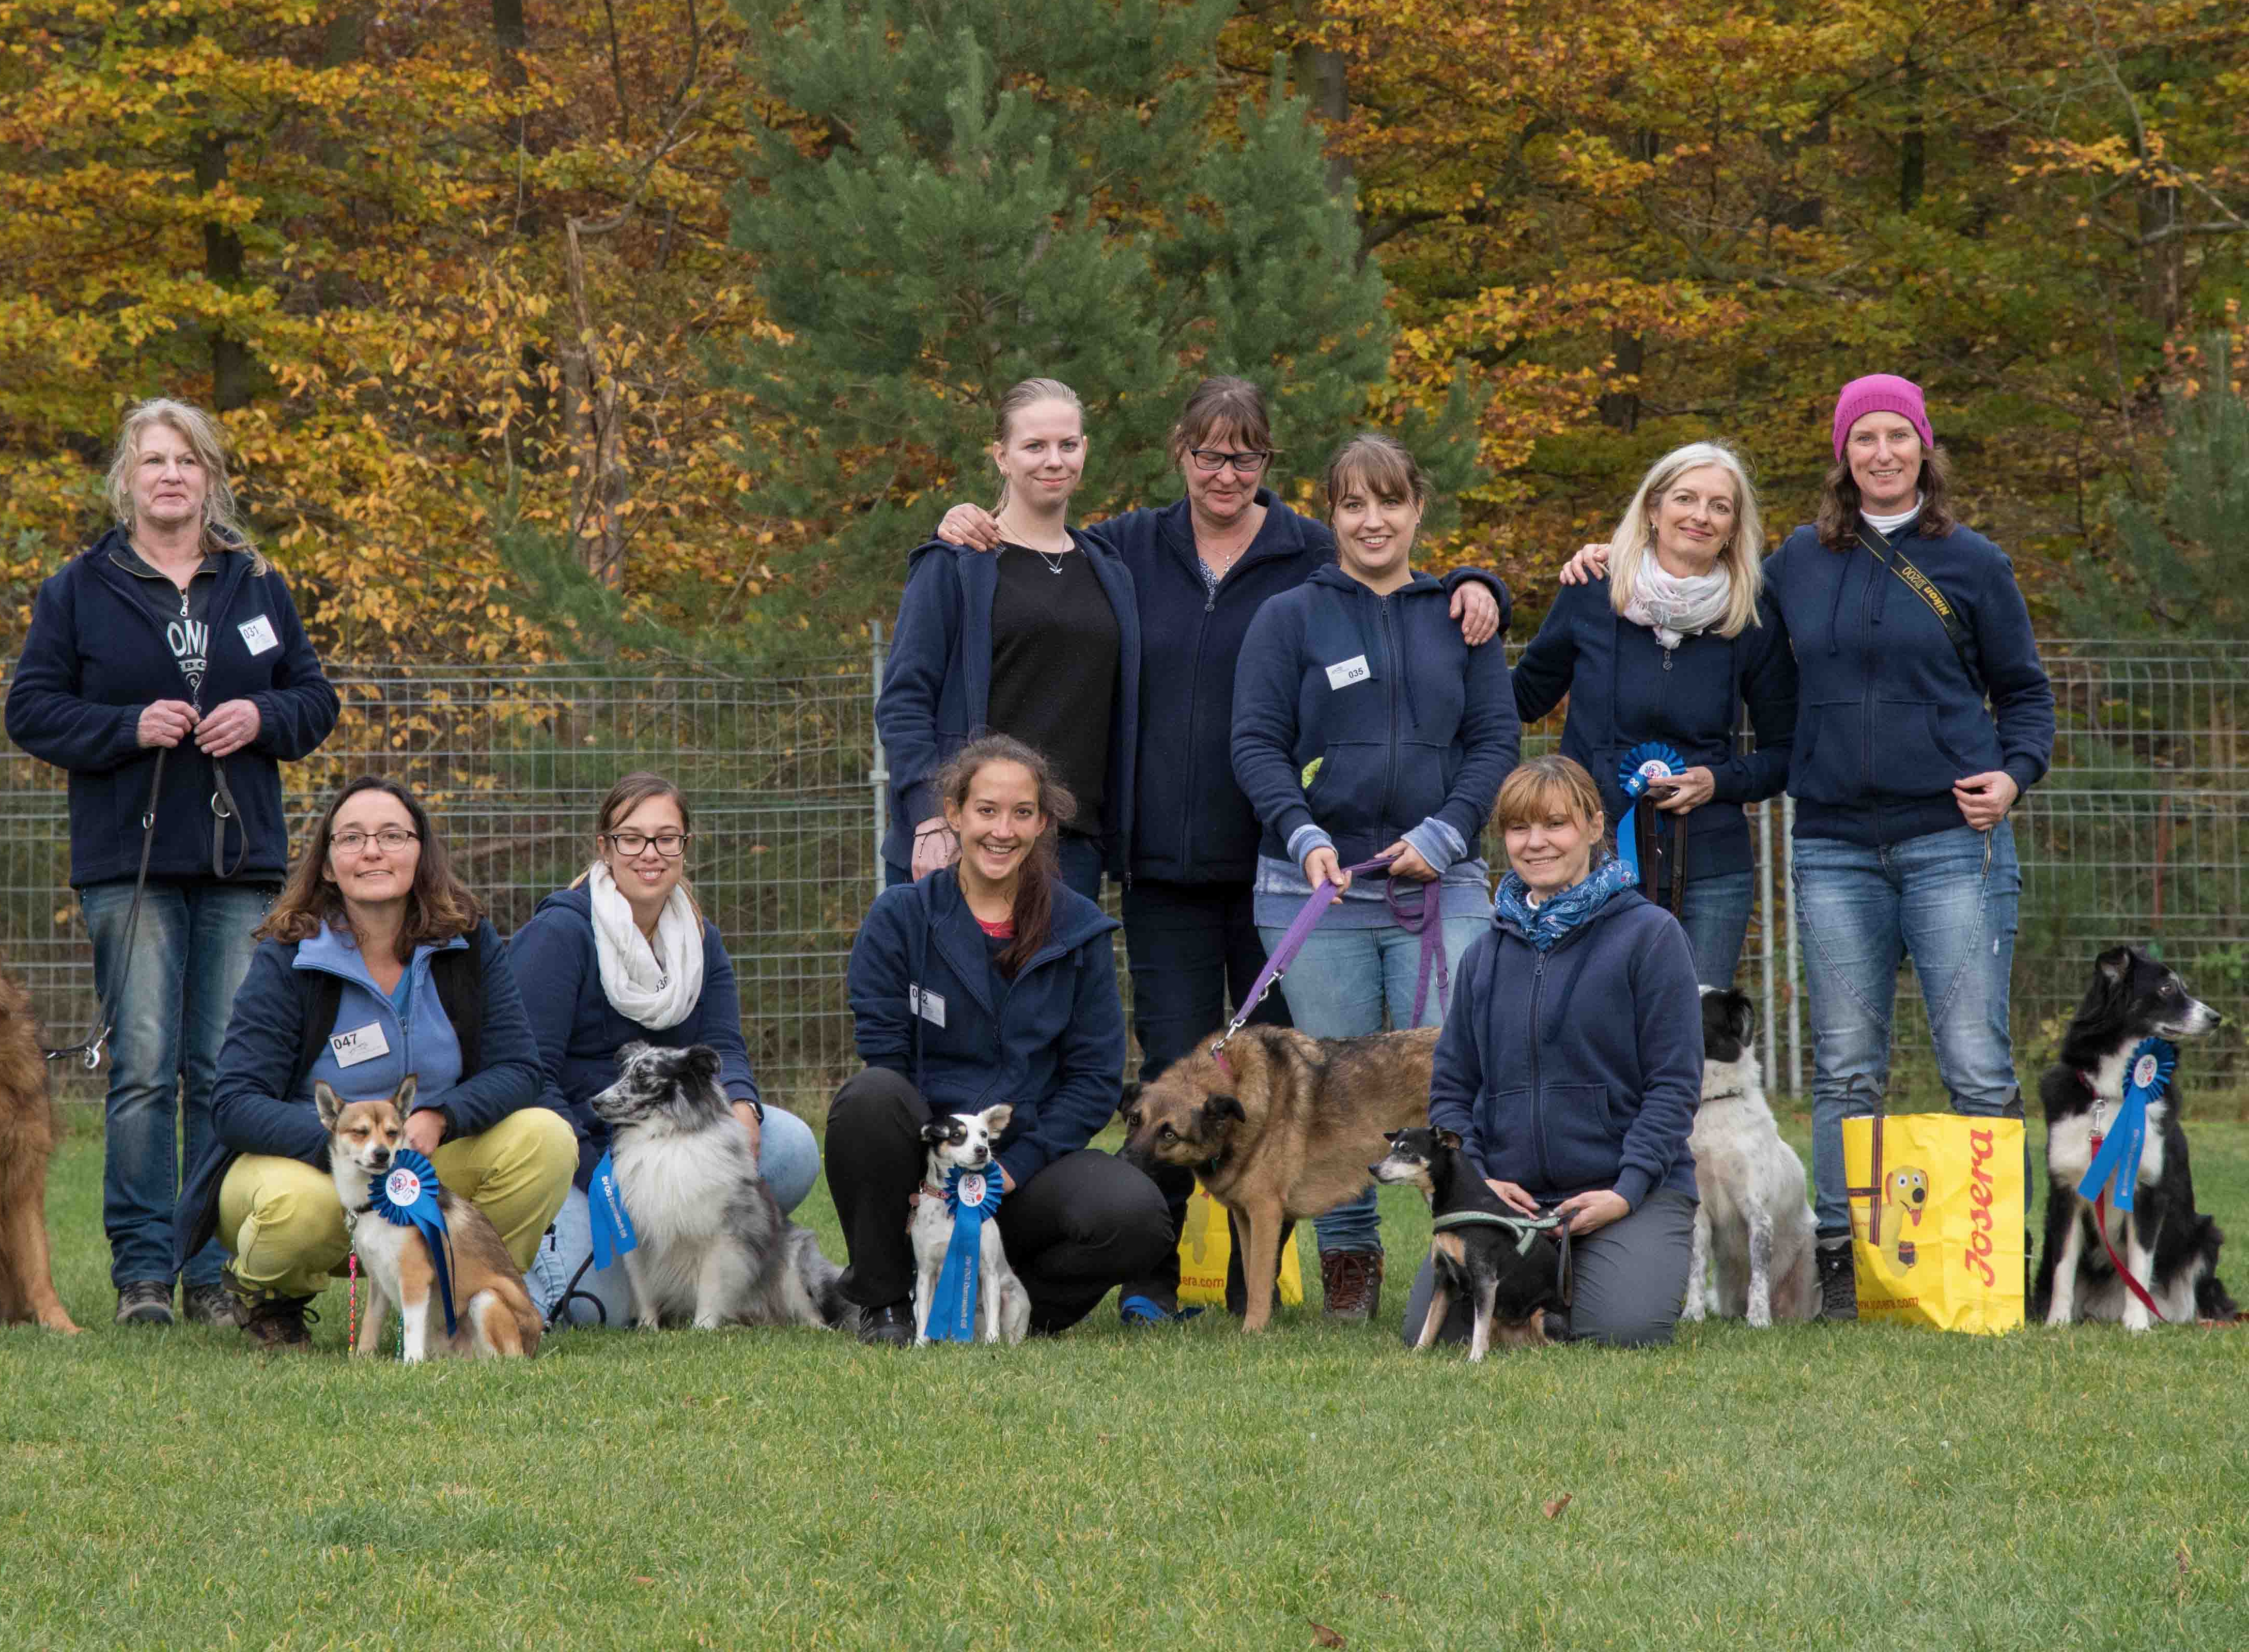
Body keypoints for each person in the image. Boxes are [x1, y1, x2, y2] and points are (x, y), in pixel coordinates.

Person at [933, 377, 1506, 1322]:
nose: (1225, 472)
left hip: (1284, 867)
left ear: (1269, 466)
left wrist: (1487, 585)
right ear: (1179, 454)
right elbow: (1040, 544)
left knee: (1296, 1093)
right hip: (1170, 856)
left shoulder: (1307, 555)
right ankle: (1154, 1283)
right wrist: (966, 522)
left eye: (1244, 456)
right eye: (1208, 453)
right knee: (1173, 1070)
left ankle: (1277, 1284)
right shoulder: (1125, 546)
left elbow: (1405, 579)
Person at [1560, 375, 2053, 1319]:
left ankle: (1995, 1260)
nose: (1879, 453)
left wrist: (2014, 773)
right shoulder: (1795, 561)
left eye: (1895, 437)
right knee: (1845, 1064)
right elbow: (1705, 592)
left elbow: (2023, 692)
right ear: (1841, 453)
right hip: (1830, 844)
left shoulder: (1973, 562)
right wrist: (1606, 556)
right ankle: (1841, 1262)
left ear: (1922, 448)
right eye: (1861, 438)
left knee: (1974, 1060)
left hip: (1951, 837)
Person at [6, 397, 338, 1329]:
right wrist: (126, 727)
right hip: (132, 865)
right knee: (146, 1066)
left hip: (242, 863)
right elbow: (30, 710)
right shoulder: (79, 587)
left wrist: (263, 717)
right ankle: (146, 1272)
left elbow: (315, 700)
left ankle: (213, 1272)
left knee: (224, 1070)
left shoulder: (258, 583)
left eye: (186, 459)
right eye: (153, 460)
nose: (170, 475)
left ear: (210, 476)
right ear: (128, 479)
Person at [1228, 433, 1519, 1320]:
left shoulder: (1460, 615)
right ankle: (1348, 1269)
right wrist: (1301, 829)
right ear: (1331, 513)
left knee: (1459, 1075)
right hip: (1315, 891)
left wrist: (1444, 829)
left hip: (1443, 883)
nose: (1371, 520)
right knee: (1332, 1096)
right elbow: (1254, 742)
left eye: (1388, 501)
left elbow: (1494, 741)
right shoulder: (1289, 616)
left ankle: (1472, 1255)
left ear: (1416, 508)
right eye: (1352, 504)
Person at [174, 776, 576, 1350]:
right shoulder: (290, 954)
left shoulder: (468, 941)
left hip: (423, 1161)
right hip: (308, 1166)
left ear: (421, 852)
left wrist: (443, 1116)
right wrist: (344, 1147)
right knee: (298, 1209)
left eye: (392, 835)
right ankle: (273, 1301)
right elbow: (235, 1101)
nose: (372, 851)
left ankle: (462, 1301)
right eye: (352, 838)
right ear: (329, 865)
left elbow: (519, 1067)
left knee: (546, 1138)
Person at [827, 735, 1174, 1344]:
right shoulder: (899, 920)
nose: (1002, 830)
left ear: (1043, 822)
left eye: (1021, 813)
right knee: (869, 1098)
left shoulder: (1080, 932)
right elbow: (887, 1061)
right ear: (954, 814)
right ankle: (885, 1302)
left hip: (1024, 1164)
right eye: (986, 810)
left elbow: (1093, 1079)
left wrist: (1013, 1168)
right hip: (929, 1165)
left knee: (1137, 1216)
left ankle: (1013, 1304)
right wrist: (932, 1171)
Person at [1404, 755, 1702, 1348]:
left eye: (1555, 824)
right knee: (1431, 1332)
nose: (1535, 843)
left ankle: (1600, 1267)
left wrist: (1627, 1189)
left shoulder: (1652, 937)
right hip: (1510, 1198)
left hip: (1624, 1189)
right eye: (1519, 828)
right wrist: (1481, 1182)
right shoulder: (1484, 956)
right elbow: (1452, 1089)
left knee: (1622, 1331)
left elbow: (1674, 1085)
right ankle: (1549, 1277)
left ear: (1595, 827)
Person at [513, 772, 824, 1326]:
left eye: (666, 838)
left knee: (793, 1146)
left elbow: (725, 1042)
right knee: (598, 1312)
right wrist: (607, 1178)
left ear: (685, 845)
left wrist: (744, 1108)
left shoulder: (700, 936)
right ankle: (544, 1256)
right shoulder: (559, 934)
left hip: (669, 1144)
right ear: (604, 847)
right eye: (631, 838)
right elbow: (530, 1073)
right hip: (582, 1148)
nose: (649, 854)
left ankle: (704, 1263)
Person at [1511, 441, 1795, 988]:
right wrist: (1477, 598)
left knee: (1692, 1039)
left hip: (1711, 868)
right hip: (1588, 861)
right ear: (1653, 509)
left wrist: (1719, 781)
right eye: (1685, 498)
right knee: (1592, 1031)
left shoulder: (1753, 616)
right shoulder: (1592, 589)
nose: (1700, 515)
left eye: (1720, 506)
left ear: (1735, 526)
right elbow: (1521, 698)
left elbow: (1785, 752)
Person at [875, 379, 1140, 901]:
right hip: (965, 843)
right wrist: (931, 816)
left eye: (1068, 445)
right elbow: (905, 703)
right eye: (1034, 446)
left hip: (1070, 851)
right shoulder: (954, 564)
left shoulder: (1109, 571)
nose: (1054, 460)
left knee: (1054, 985)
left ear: (1085, 449)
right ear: (1001, 456)